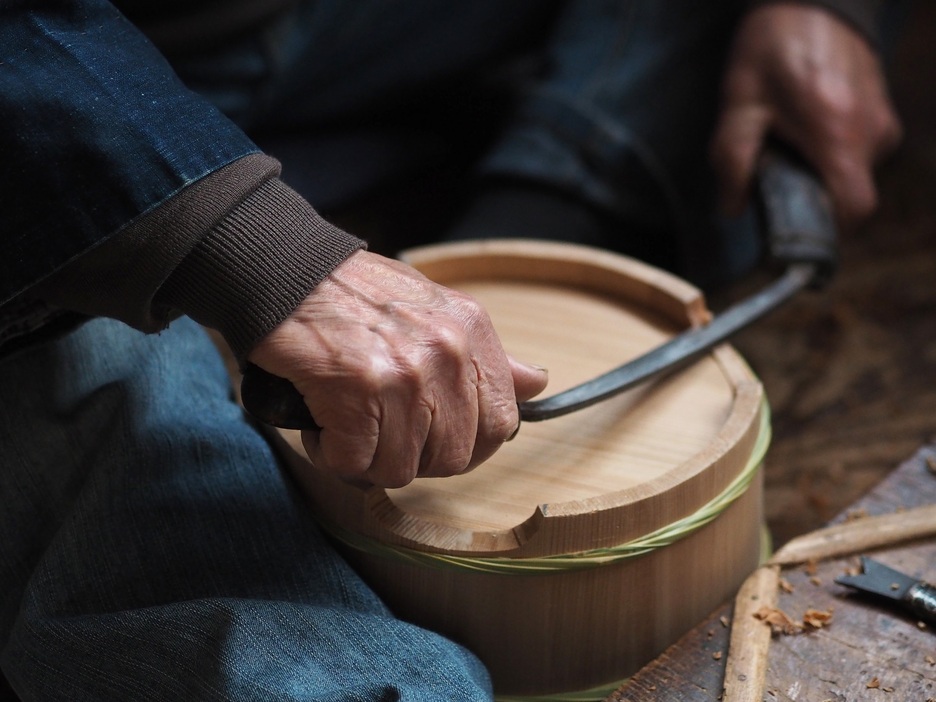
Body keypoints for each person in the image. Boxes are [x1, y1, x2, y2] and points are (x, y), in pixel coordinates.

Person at [0, 1, 904, 699]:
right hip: (56, 80)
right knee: (89, 358)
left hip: (325, 29)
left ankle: (542, 211)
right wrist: (238, 241)